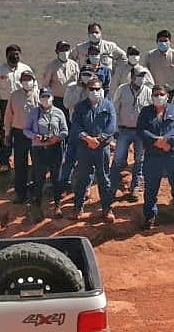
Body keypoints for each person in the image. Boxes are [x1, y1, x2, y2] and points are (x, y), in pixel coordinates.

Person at [137, 85, 174, 229]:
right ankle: (150, 217)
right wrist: (156, 141)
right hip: (153, 155)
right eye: (155, 94)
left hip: (173, 153)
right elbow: (141, 130)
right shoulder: (146, 112)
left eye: (161, 94)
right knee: (151, 188)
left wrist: (165, 139)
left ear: (167, 96)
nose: (158, 97)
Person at [70, 77, 117, 221]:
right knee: (83, 178)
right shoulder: (80, 107)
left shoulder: (108, 106)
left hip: (102, 148)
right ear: (86, 90)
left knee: (104, 178)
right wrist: (88, 139)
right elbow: (76, 125)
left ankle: (107, 209)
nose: (95, 91)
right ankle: (78, 207)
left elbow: (111, 125)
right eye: (92, 89)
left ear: (101, 90)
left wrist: (100, 139)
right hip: (85, 147)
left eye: (97, 89)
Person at [24, 89, 69, 218]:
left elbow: (65, 130)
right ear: (39, 98)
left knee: (56, 177)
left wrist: (57, 137)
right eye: (43, 96)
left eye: (48, 96)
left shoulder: (59, 112)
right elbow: (26, 130)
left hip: (55, 148)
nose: (46, 99)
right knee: (39, 178)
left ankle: (57, 205)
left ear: (52, 97)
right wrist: (35, 136)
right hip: (39, 149)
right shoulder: (34, 113)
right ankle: (37, 206)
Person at [110, 65, 150, 201]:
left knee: (140, 160)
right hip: (124, 130)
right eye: (139, 76)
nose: (141, 79)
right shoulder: (122, 89)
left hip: (141, 132)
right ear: (132, 77)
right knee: (118, 158)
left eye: (143, 76)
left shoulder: (148, 92)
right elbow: (114, 109)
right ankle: (112, 187)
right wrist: (114, 129)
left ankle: (135, 188)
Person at [2, 69, 41, 204]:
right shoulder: (14, 96)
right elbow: (8, 116)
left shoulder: (39, 95)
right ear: (20, 81)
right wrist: (7, 134)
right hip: (19, 133)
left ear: (34, 81)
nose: (27, 82)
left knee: (37, 164)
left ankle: (36, 193)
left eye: (29, 79)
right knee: (20, 165)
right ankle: (20, 194)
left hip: (35, 134)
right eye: (24, 79)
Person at [0, 45, 31, 173]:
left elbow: (34, 88)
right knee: (5, 132)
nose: (14, 56)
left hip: (22, 103)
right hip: (4, 104)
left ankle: (25, 161)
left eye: (17, 54)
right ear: (6, 55)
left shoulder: (26, 69)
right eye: (11, 54)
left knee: (23, 132)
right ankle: (4, 161)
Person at [146, 29, 174, 94]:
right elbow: (145, 75)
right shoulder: (149, 56)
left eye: (165, 41)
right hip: (153, 92)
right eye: (161, 41)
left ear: (170, 41)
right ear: (157, 42)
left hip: (171, 92)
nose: (163, 43)